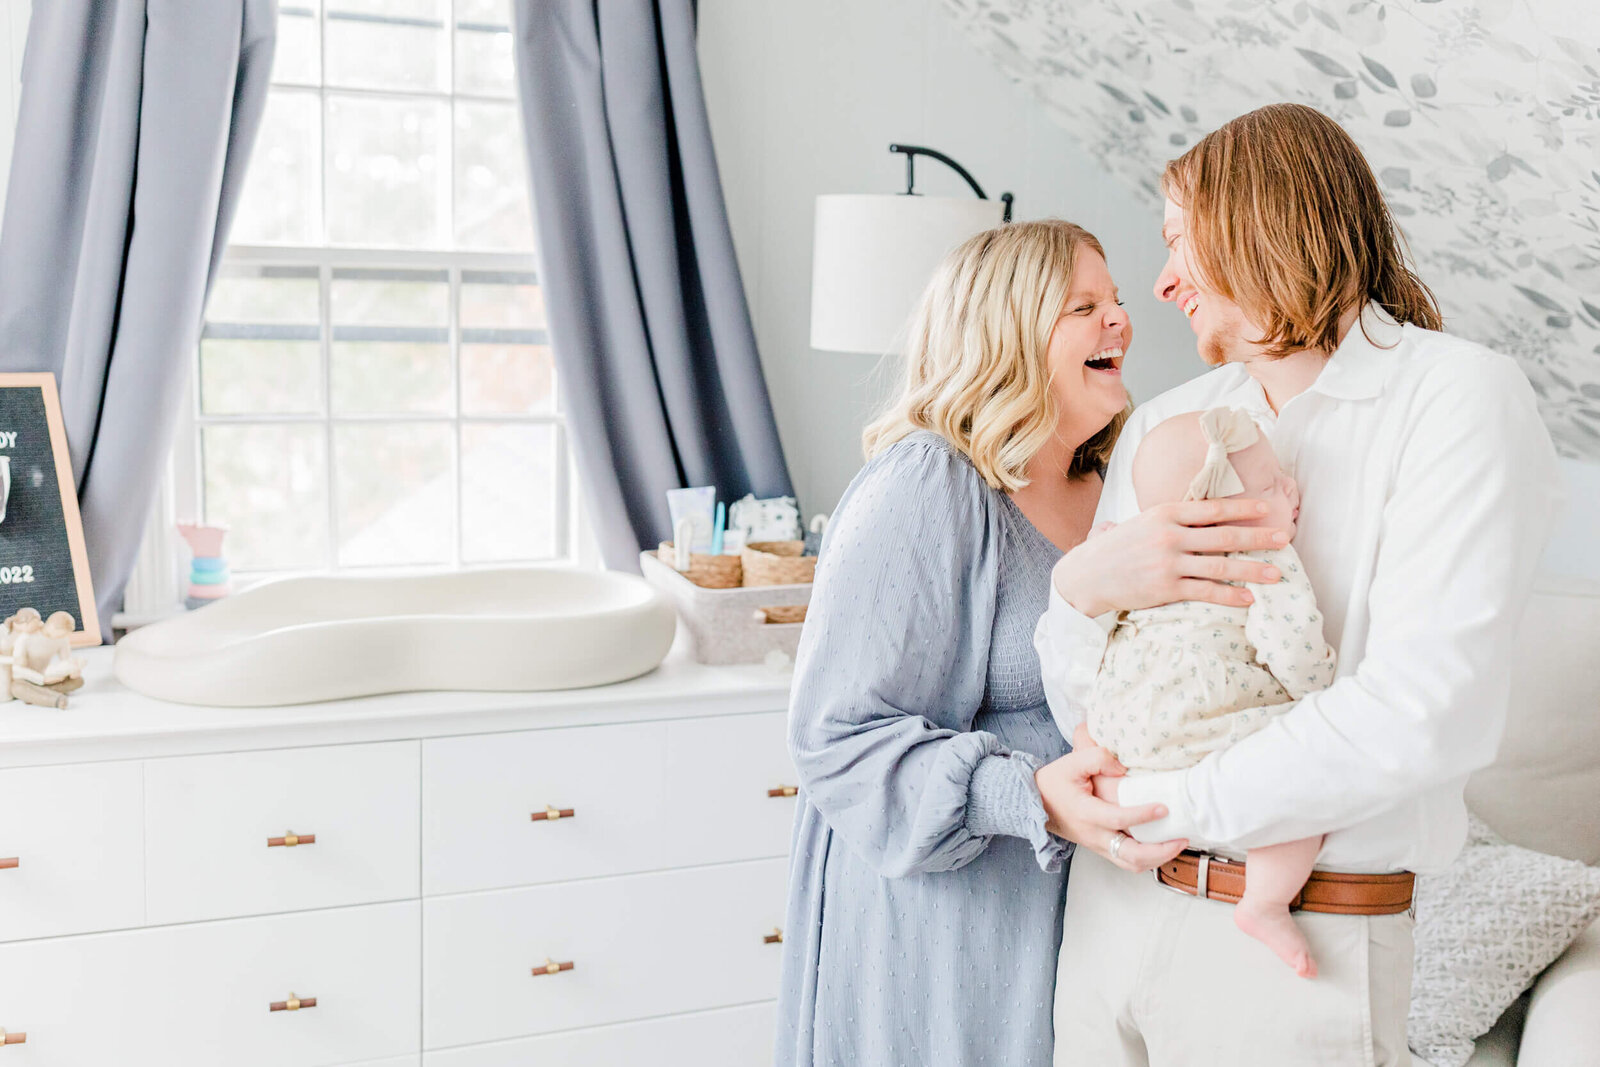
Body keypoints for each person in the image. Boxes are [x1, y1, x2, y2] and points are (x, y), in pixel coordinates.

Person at [1038, 102, 1562, 1065]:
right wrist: (1077, 591)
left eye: (1179, 245)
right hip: (1108, 918)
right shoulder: (1172, 424)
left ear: (1257, 219)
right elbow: (1104, 689)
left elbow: (1419, 711)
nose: (1159, 284)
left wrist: (1162, 805)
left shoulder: (1454, 399)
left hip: (1297, 944)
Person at [775, 219, 1289, 1067]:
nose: (1121, 320)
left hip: (1083, 917)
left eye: (1118, 301)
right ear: (1006, 331)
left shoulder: (1126, 482)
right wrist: (1030, 796)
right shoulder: (929, 485)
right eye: (1083, 306)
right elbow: (837, 736)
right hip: (942, 931)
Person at [1071, 406, 1336, 979]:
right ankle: (1265, 902)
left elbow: (1092, 629)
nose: (1289, 486)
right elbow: (1294, 651)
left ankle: (1094, 755)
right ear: (1219, 512)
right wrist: (1322, 688)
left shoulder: (1133, 555)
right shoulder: (1260, 558)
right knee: (1307, 773)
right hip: (1204, 726)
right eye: (1269, 484)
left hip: (1122, 736)